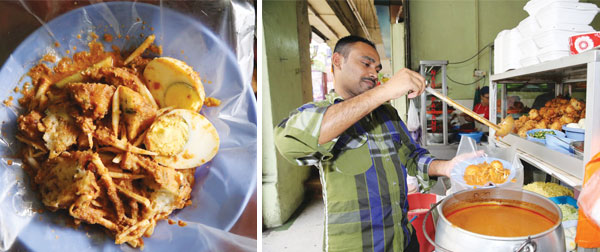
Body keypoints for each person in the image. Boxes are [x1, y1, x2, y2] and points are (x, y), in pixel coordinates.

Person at [274, 35, 481, 251]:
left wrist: (448, 167)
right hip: (357, 246)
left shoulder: (387, 114)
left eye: (377, 67)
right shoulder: (319, 113)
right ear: (337, 61)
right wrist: (384, 91)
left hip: (402, 239)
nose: (374, 73)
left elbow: (413, 157)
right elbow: (291, 145)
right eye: (366, 63)